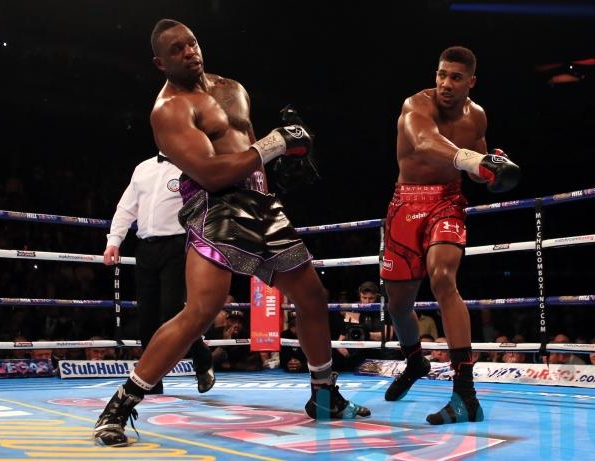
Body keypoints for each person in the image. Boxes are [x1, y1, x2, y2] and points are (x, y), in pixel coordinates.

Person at [94, 19, 369, 447]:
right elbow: (210, 172)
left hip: (261, 202)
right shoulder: (170, 109)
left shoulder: (233, 88)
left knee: (312, 296)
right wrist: (276, 143)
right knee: (201, 310)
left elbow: (250, 150)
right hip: (215, 203)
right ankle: (120, 405)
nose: (189, 52)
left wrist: (281, 162)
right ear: (160, 62)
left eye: (192, 43)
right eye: (177, 49)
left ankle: (324, 395)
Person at [380, 46, 520, 425]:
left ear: (470, 82)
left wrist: (492, 169)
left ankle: (465, 395)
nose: (445, 83)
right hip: (406, 203)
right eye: (441, 74)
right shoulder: (416, 105)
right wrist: (474, 160)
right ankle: (415, 361)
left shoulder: (478, 116)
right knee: (398, 305)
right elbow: (425, 142)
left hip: (447, 201)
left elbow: (477, 169)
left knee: (443, 279)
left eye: (455, 77)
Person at [103, 151, 214, 395]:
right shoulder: (143, 168)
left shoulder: (190, 167)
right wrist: (114, 241)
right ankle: (151, 380)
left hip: (177, 245)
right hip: (145, 248)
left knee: (173, 310)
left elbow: (207, 206)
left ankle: (201, 358)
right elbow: (126, 208)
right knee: (147, 317)